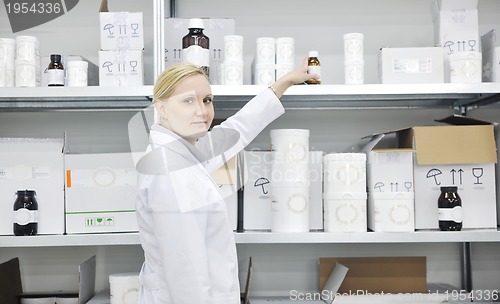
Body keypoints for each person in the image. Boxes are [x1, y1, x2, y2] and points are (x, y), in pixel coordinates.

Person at [135, 59, 319, 304]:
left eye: (207, 100)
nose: (202, 111)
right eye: (188, 100)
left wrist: (282, 84)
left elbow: (236, 130)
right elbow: (186, 273)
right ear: (162, 107)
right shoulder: (172, 172)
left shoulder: (185, 151)